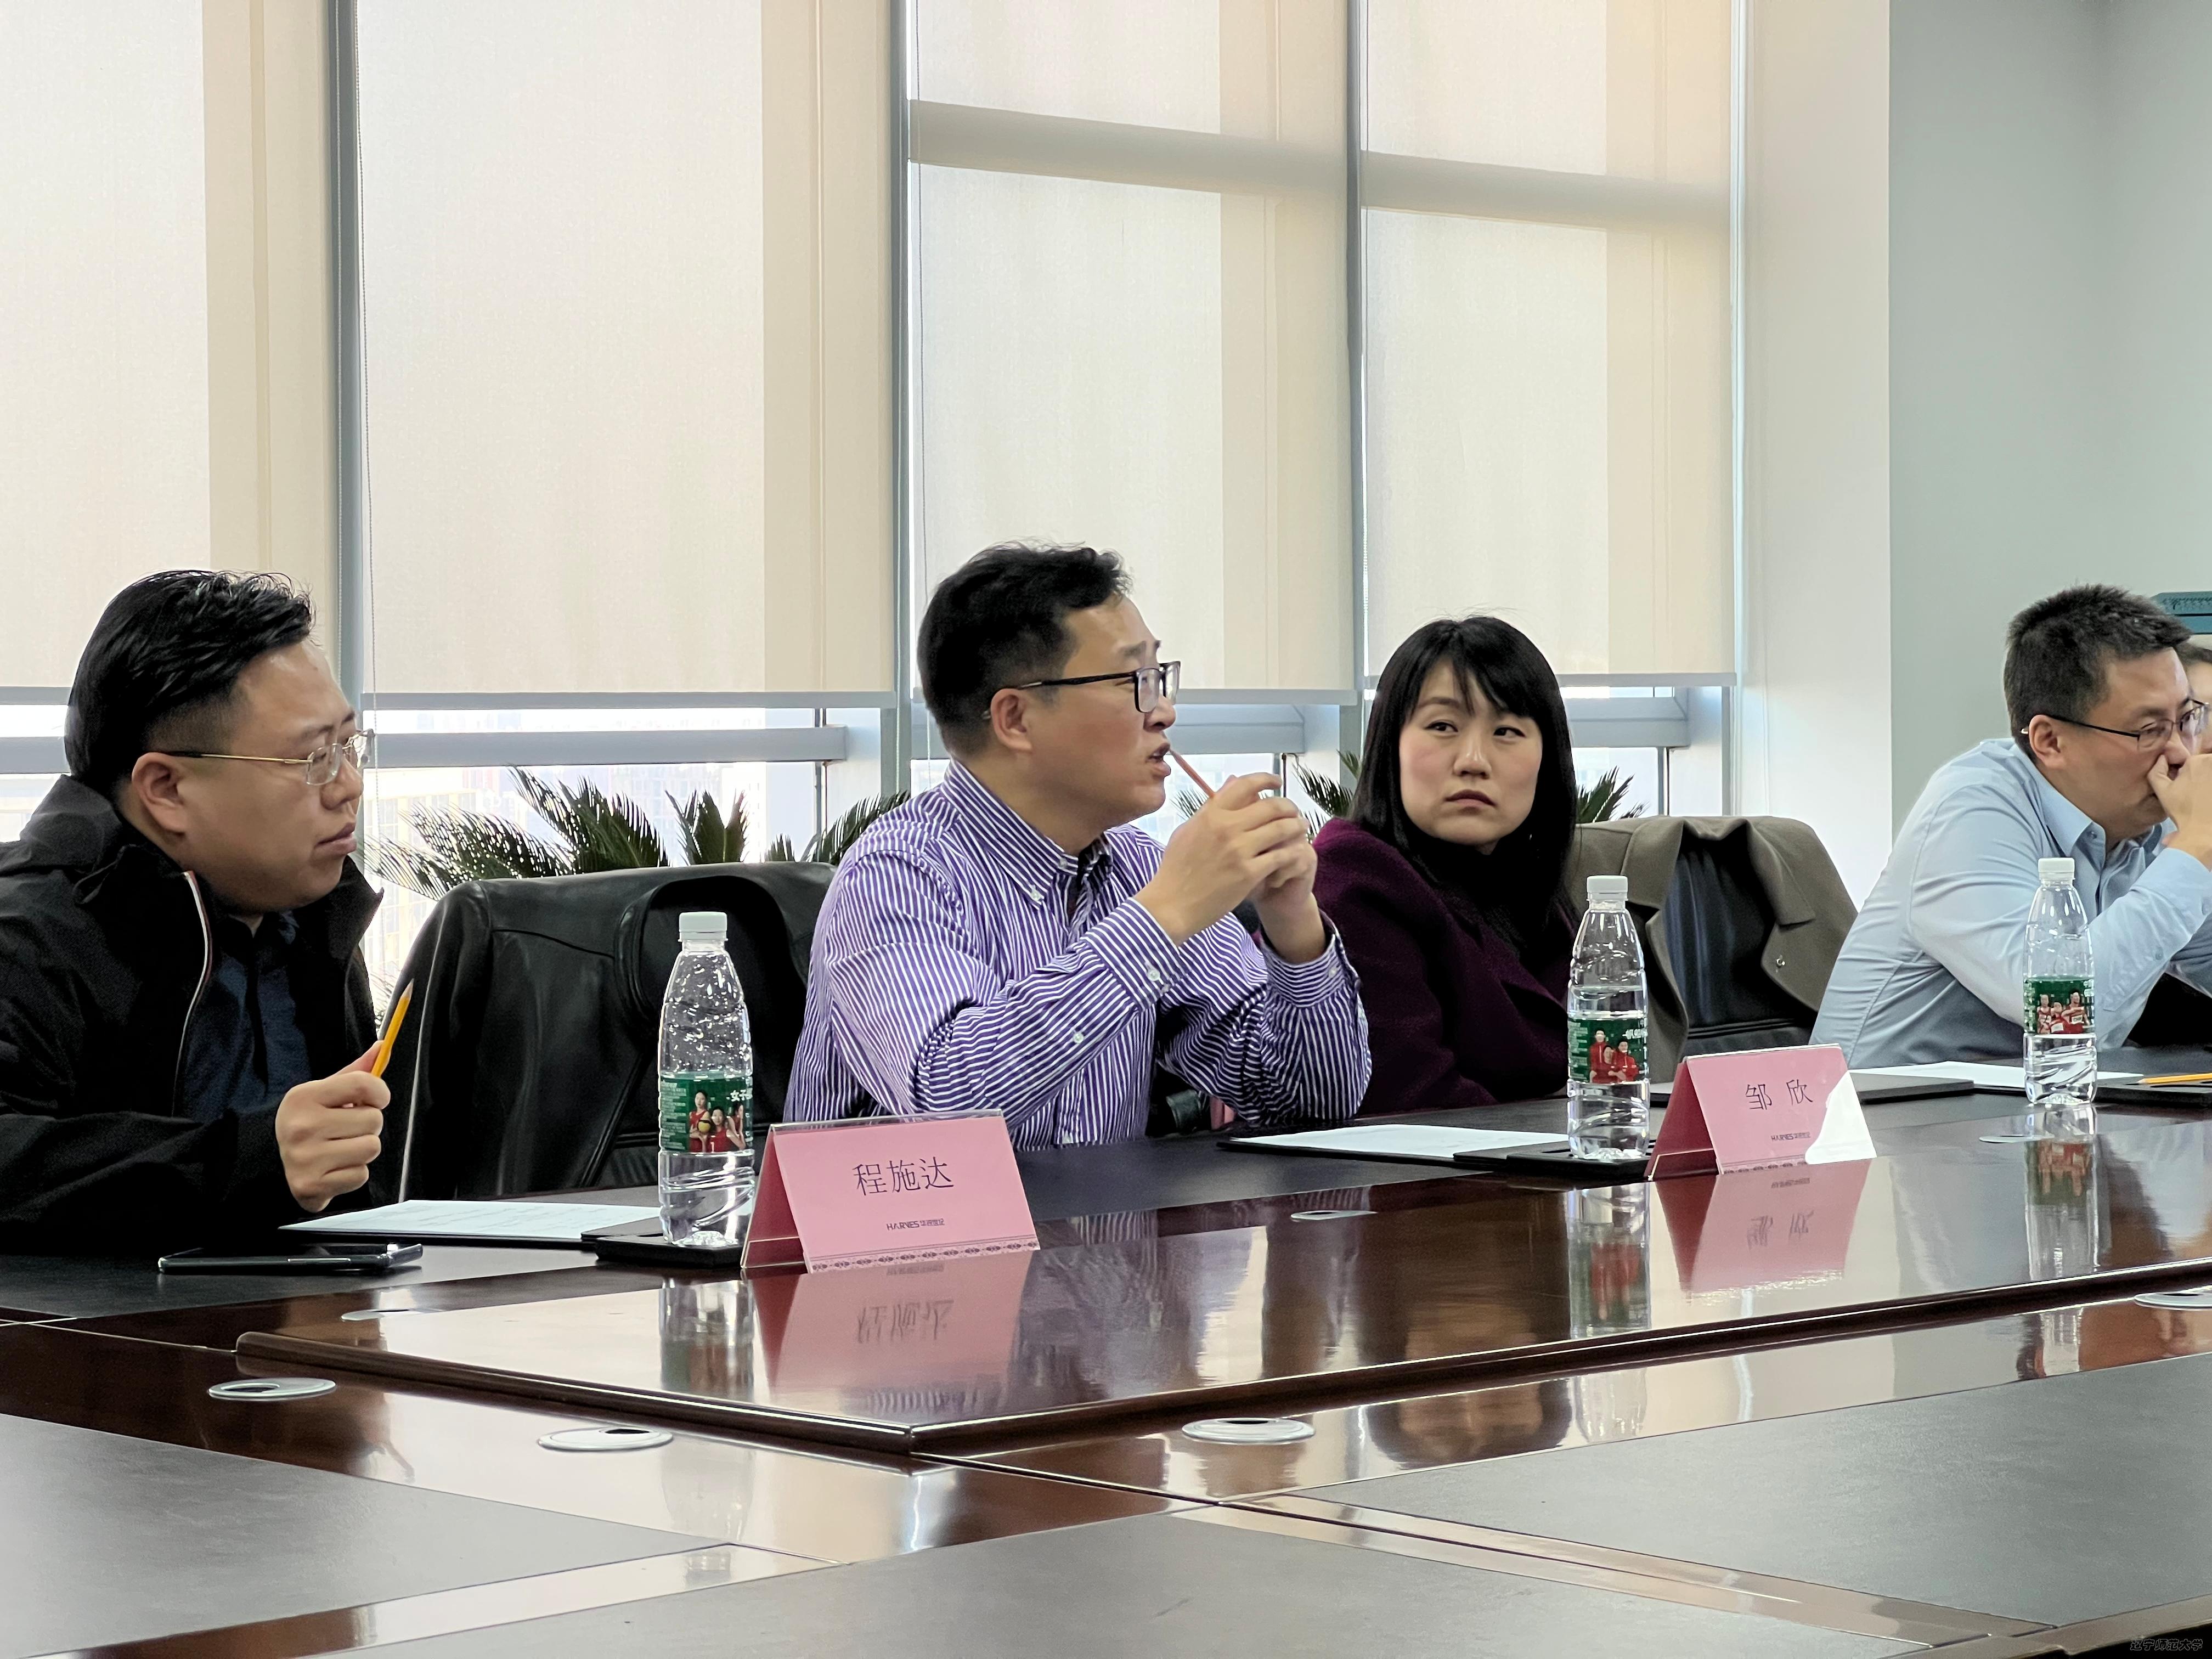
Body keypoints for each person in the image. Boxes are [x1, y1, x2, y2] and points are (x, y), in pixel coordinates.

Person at [788, 543, 1370, 1145]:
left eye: (1160, 678)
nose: (1164, 711)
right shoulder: (897, 873)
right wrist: (1165, 914)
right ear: (1016, 719)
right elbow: (951, 1105)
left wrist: (1293, 922)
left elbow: (1312, 1103)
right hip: (911, 1210)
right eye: (1134, 682)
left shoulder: (1139, 867)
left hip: (1109, 1212)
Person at [0, 572, 389, 1247]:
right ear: (167, 788)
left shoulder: (311, 916)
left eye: (349, 747)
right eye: (312, 758)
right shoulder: (29, 936)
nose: (348, 786)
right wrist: (246, 1160)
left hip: (312, 1303)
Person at [1815, 584, 2212, 1066]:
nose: (2180, 752)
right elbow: (2064, 1012)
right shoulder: (1972, 809)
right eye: (2149, 731)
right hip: (1893, 1108)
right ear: (2050, 741)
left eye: (2187, 719)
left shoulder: (2146, 818)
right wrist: (2195, 848)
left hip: (2049, 1102)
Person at [1311, 616, 1578, 1113]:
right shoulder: (1353, 879)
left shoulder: (1528, 887)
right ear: (1390, 745)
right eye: (1442, 727)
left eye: (1506, 731)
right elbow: (1410, 1097)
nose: (1473, 760)